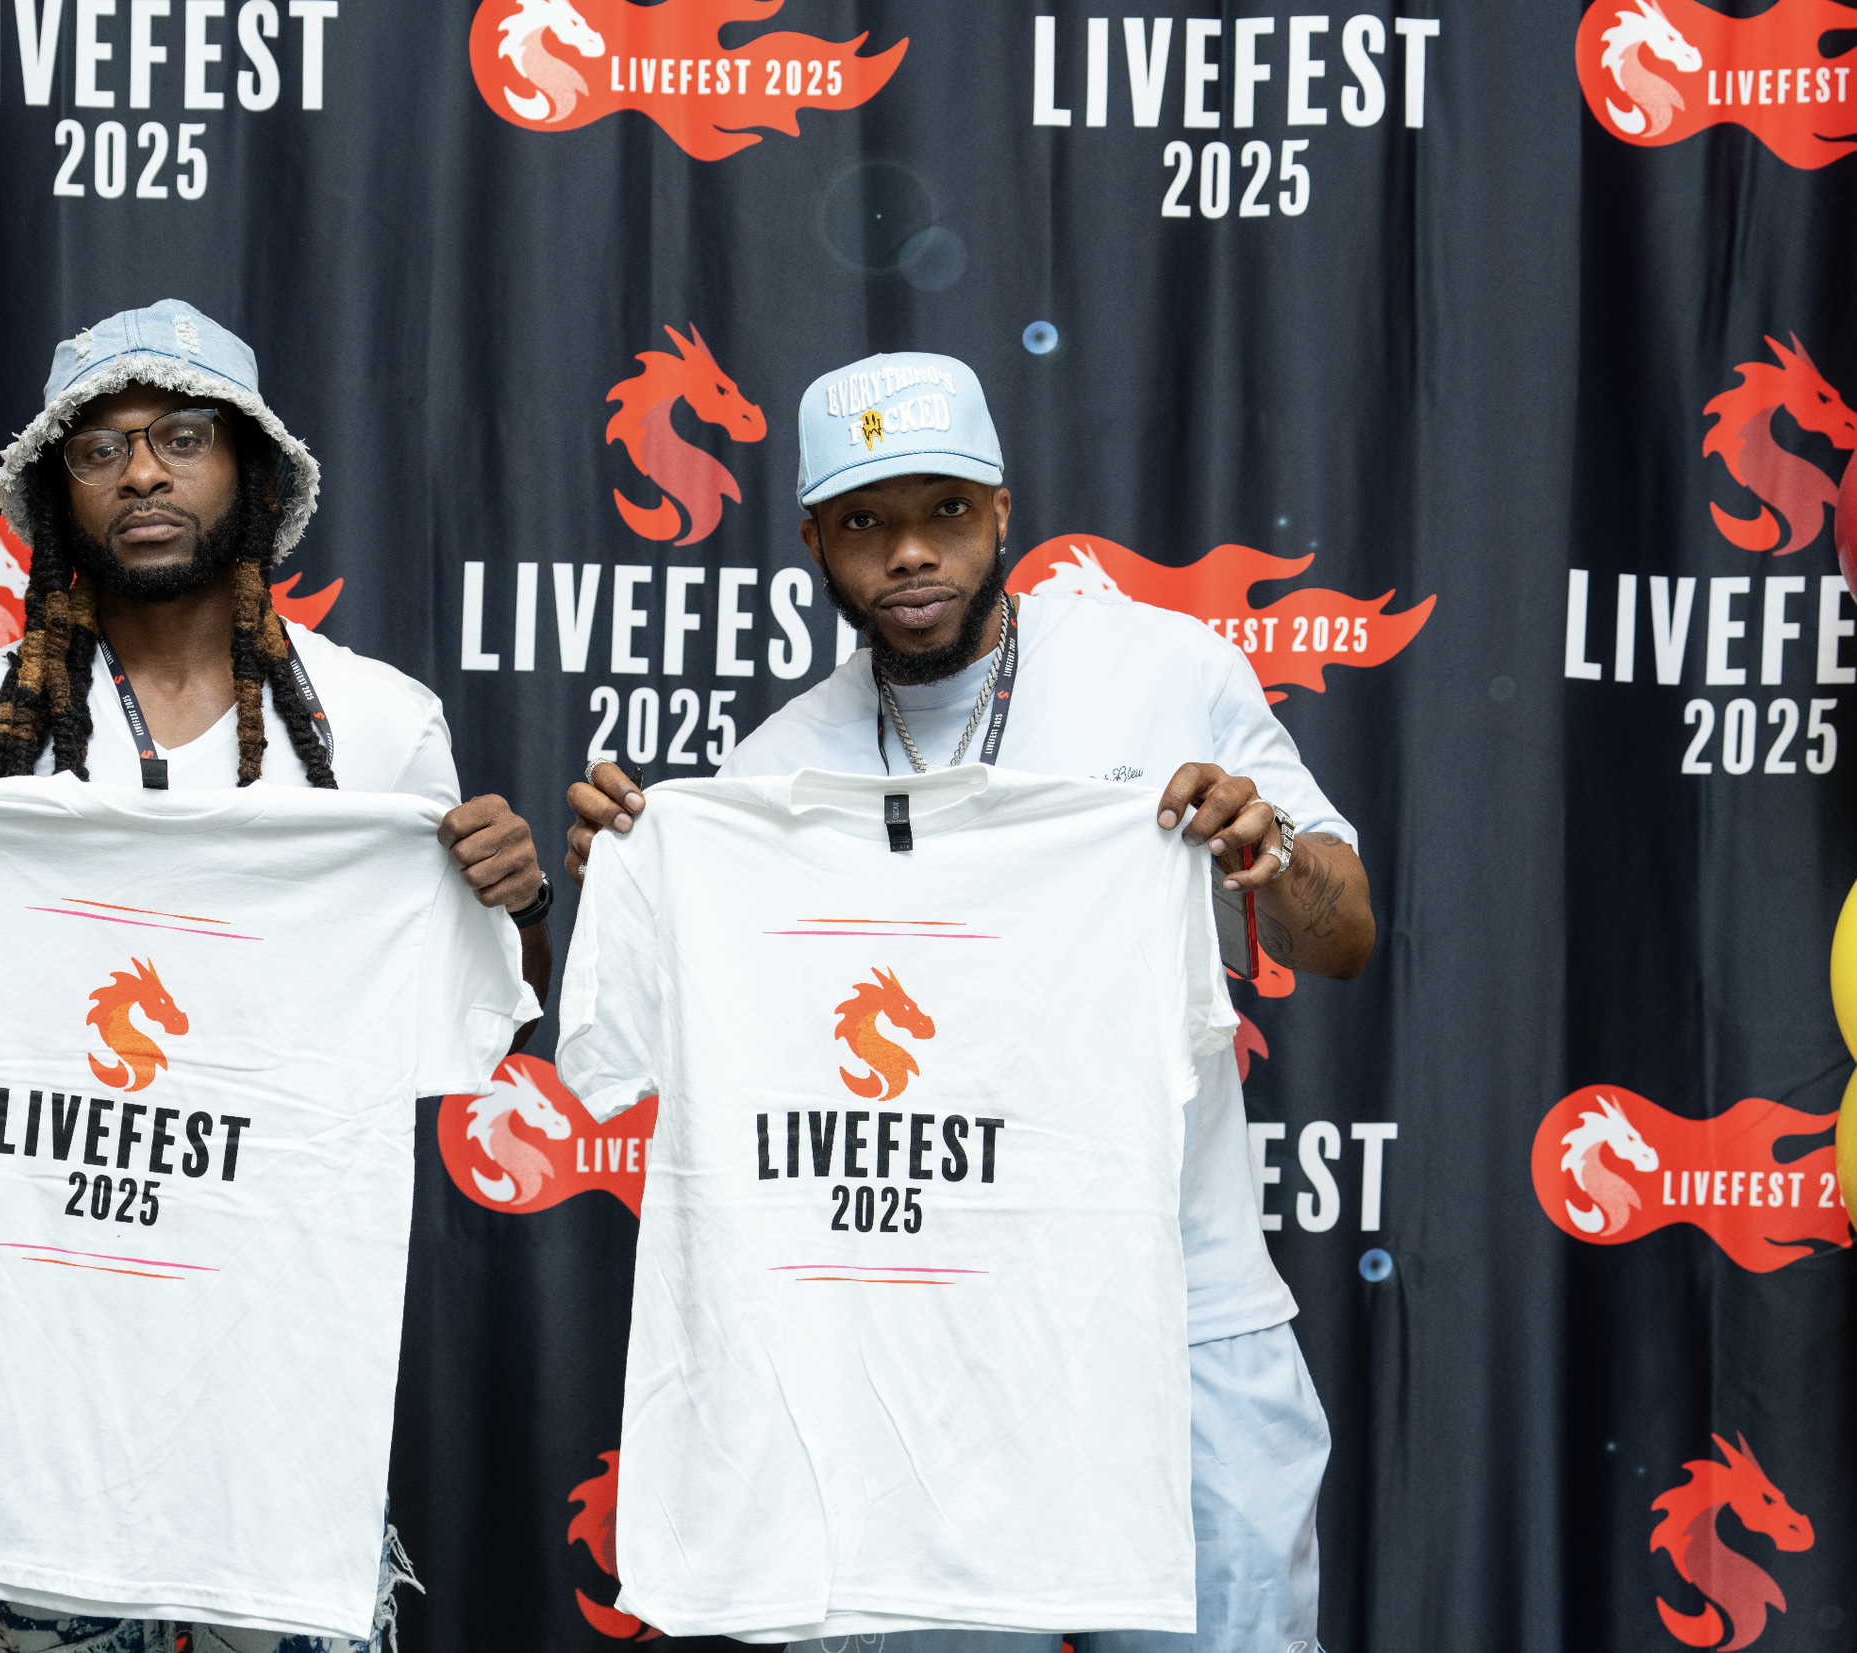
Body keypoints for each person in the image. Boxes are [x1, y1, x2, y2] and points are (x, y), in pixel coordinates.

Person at [563, 351, 1374, 1653]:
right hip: (910, 1340)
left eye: (943, 510)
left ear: (1004, 509)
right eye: (866, 523)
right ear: (816, 542)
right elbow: (674, 1063)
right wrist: (633, 885)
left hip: (1179, 1317)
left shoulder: (1165, 673)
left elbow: (1345, 937)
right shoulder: (774, 773)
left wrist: (1264, 849)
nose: (909, 555)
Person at [0, 299, 551, 1653]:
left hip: (276, 1399)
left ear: (250, 476)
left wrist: (521, 900)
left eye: (182, 439)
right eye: (101, 451)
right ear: (56, 498)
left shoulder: (378, 725)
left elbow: (473, 1029)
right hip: (38, 1385)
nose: (142, 473)